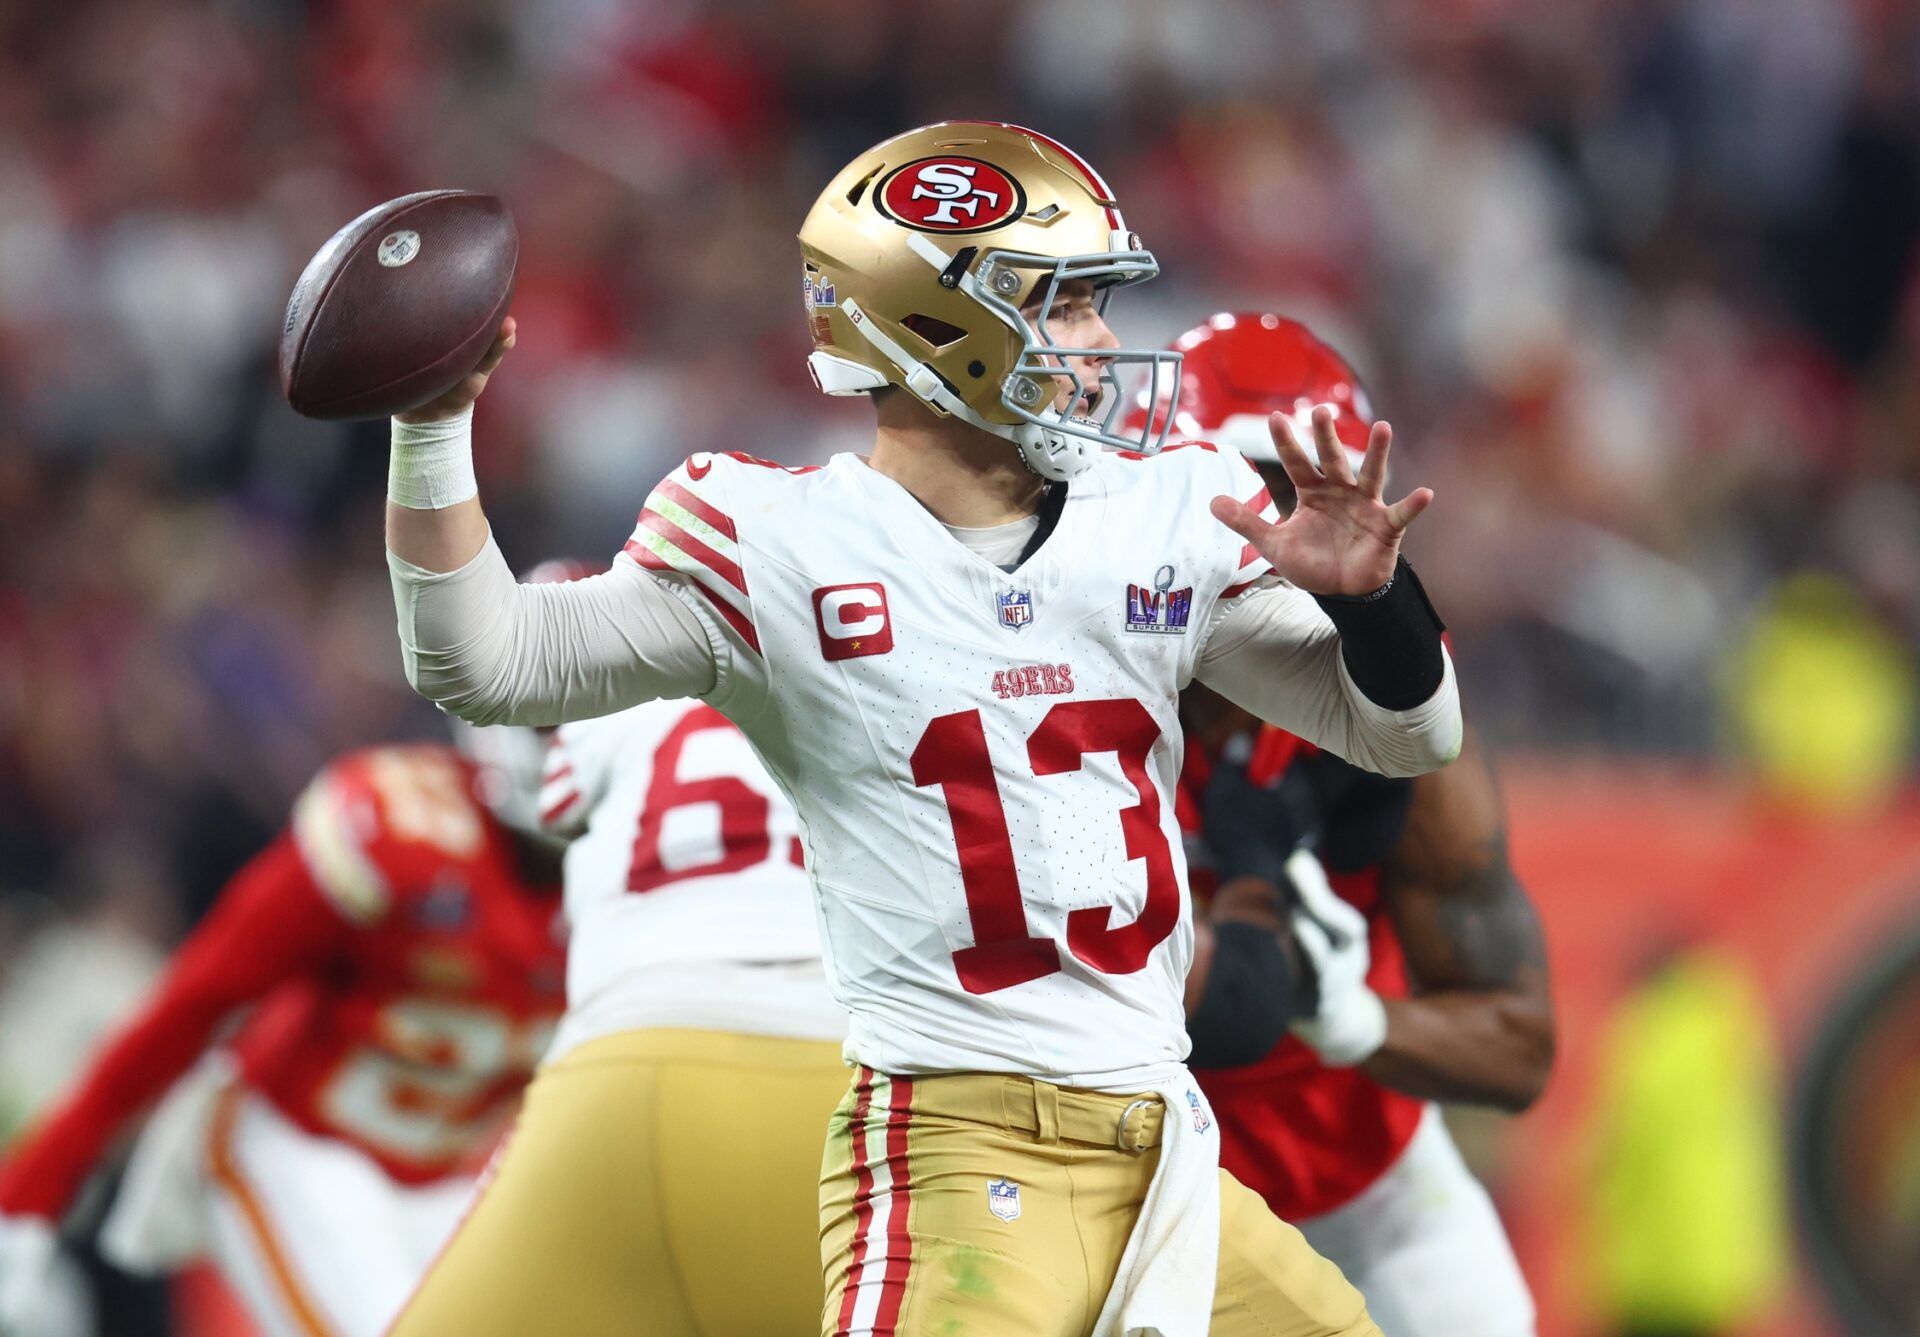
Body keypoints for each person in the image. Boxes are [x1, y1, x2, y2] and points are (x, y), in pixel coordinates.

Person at [380, 121, 1463, 1336]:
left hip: (1160, 1135)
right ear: (944, 324)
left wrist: (1372, 597)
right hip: (955, 1146)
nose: (1103, 345)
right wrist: (431, 429)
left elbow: (1408, 735)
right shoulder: (775, 540)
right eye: (1064, 305)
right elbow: (486, 660)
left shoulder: (1160, 510)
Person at [1147, 313, 1552, 1337]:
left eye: (1305, 495)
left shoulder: (1398, 718)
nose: (1273, 535)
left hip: (1369, 1184)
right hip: (1146, 1194)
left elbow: (1518, 1043)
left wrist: (1353, 1016)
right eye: (1231, 490)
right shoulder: (1074, 682)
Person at [0, 727, 566, 1337]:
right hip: (300, 1141)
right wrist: (30, 1192)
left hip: (444, 1175)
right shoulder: (393, 834)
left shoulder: (643, 871)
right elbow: (197, 1000)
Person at [386, 695, 849, 1333]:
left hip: (630, 1063)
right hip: (850, 1069)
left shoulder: (624, 706)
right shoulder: (874, 695)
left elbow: (538, 798)